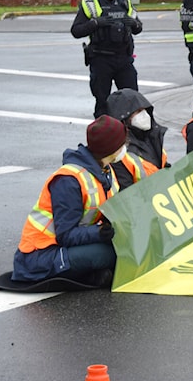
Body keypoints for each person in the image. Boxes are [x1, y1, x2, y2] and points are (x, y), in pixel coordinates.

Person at [12, 115, 127, 287]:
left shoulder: (104, 170)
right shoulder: (69, 181)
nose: (125, 147)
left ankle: (90, 274)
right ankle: (87, 273)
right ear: (111, 149)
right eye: (122, 143)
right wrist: (99, 233)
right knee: (113, 254)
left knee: (124, 249)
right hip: (39, 257)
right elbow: (65, 235)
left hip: (64, 248)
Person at [70, 0, 143, 118]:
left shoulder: (124, 3)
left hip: (124, 59)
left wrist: (134, 23)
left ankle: (132, 138)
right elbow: (76, 31)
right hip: (101, 59)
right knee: (102, 102)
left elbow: (138, 28)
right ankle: (103, 137)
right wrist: (95, 23)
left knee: (132, 100)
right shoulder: (90, 4)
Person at [106, 88, 170, 189]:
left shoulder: (153, 139)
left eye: (145, 109)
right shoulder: (119, 154)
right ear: (124, 118)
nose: (145, 115)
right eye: (138, 111)